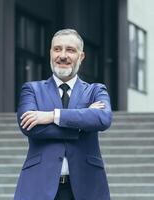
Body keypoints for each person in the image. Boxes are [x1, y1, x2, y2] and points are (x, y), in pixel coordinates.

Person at [14, 29, 112, 200]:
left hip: (87, 186)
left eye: (70, 50)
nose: (63, 55)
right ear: (51, 53)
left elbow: (102, 119)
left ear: (81, 56)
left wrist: (52, 116)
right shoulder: (32, 89)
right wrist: (82, 124)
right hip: (38, 185)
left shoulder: (96, 90)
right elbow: (29, 127)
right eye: (57, 49)